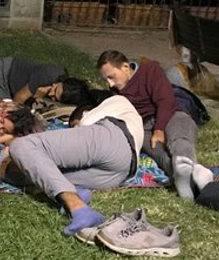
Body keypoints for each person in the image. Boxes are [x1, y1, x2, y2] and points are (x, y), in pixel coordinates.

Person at [8, 94, 144, 236]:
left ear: (85, 112)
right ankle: (78, 194)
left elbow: (86, 123)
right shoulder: (131, 119)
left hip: (112, 138)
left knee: (21, 145)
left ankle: (78, 207)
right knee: (36, 173)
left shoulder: (118, 100)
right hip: (121, 172)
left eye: (74, 127)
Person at [96, 50, 212, 200]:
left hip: (171, 113)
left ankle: (185, 165)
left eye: (112, 77)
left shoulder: (149, 70)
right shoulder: (115, 92)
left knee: (180, 137)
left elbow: (165, 100)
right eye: (107, 79)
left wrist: (159, 129)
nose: (110, 83)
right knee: (159, 153)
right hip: (143, 126)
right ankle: (188, 175)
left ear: (125, 67)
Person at [0, 56, 91, 105]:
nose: (51, 94)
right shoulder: (49, 74)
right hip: (5, 70)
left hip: (9, 91)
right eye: (55, 89)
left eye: (55, 98)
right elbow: (19, 99)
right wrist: (36, 97)